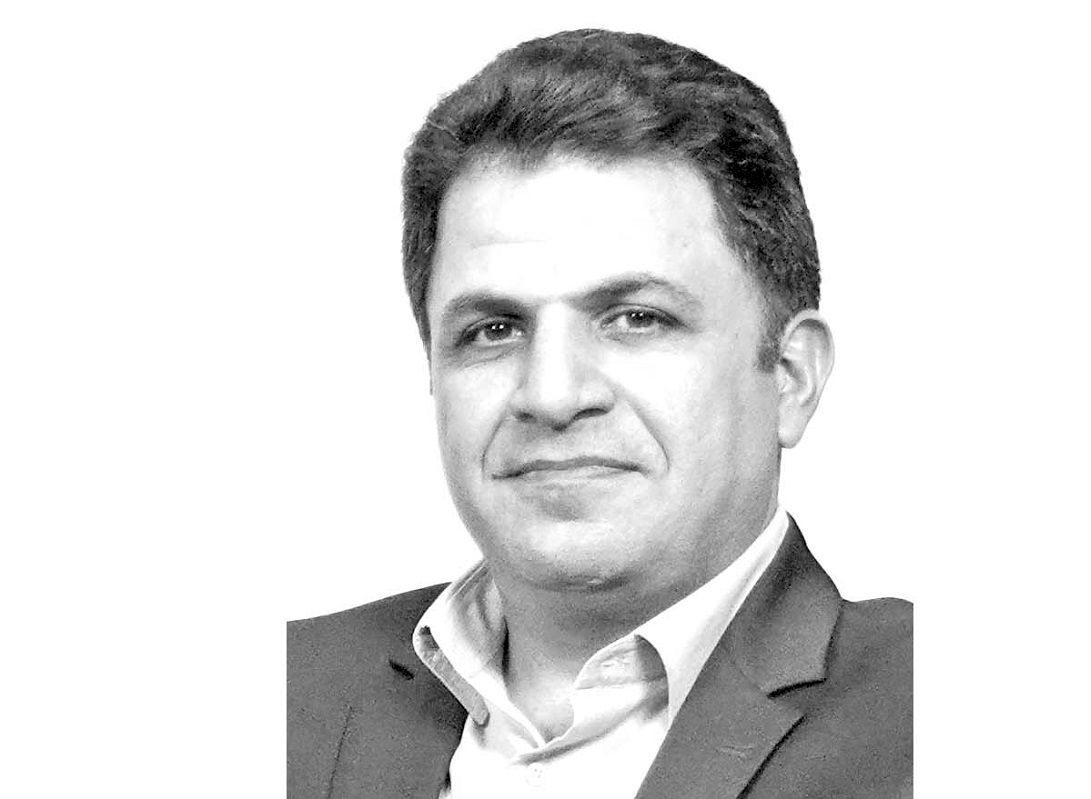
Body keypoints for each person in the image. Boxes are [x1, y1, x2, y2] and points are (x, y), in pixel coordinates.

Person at [288, 29, 911, 799]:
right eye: (493, 330)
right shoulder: (278, 691)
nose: (551, 394)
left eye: (636, 318)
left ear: (790, 377)